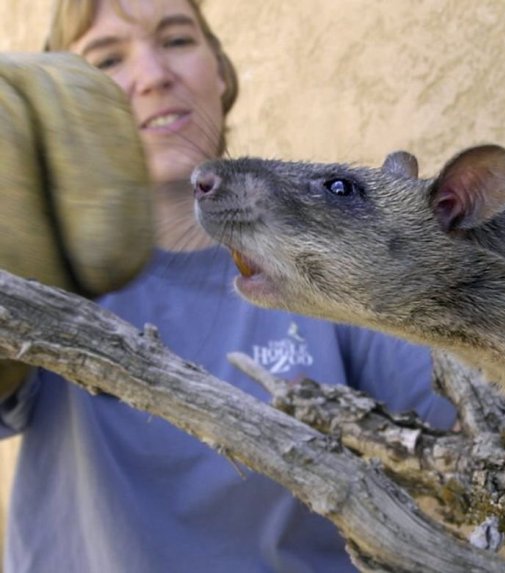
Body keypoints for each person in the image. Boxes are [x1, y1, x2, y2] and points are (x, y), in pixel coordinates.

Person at [0, 1, 456, 571]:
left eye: (176, 40)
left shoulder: (325, 257)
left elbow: (474, 426)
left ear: (220, 70)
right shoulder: (35, 264)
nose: (153, 75)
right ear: (59, 104)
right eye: (107, 58)